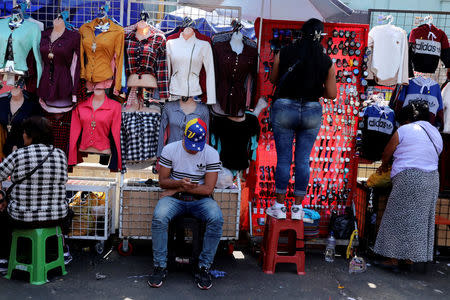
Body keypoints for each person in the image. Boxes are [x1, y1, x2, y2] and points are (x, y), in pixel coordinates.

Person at [266, 18, 337, 220]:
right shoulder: (326, 61)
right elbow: (332, 94)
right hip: (312, 110)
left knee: (284, 159)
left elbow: (273, 79)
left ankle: (279, 206)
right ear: (320, 36)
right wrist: (315, 89)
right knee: (303, 160)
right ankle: (297, 209)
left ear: (301, 33)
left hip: (284, 107)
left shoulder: (285, 52)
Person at [149, 118, 223, 290]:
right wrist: (180, 185)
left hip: (198, 199)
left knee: (216, 218)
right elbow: (162, 182)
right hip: (176, 198)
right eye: (189, 145)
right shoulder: (170, 149)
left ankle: (204, 266)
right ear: (184, 136)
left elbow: (208, 189)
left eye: (196, 146)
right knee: (159, 217)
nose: (192, 150)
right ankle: (160, 265)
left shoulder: (211, 153)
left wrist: (179, 187)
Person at [374, 102, 443, 271]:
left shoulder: (405, 130)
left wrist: (384, 165)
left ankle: (393, 259)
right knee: (418, 220)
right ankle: (410, 259)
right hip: (432, 178)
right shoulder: (435, 133)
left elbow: (387, 153)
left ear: (408, 118)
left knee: (396, 216)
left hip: (409, 176)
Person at [0, 116, 70, 273]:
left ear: (30, 135)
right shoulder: (60, 154)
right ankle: (62, 251)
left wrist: (1, 195)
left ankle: (4, 258)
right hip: (56, 218)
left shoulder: (19, 154)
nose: (23, 136)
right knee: (68, 211)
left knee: (2, 216)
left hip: (23, 218)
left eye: (25, 133)